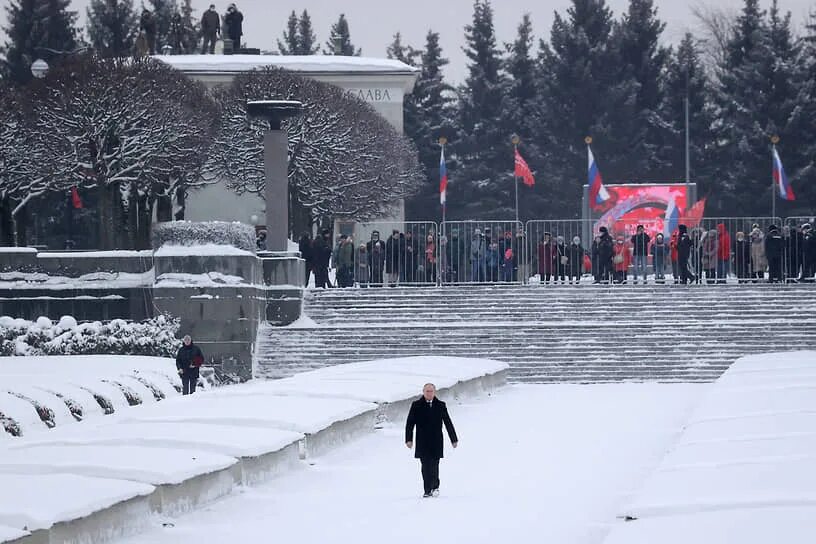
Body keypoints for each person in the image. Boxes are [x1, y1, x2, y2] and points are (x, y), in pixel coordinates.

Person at [405, 383, 458, 498]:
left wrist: (453, 439)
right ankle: (427, 489)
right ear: (423, 392)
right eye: (427, 391)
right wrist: (409, 439)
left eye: (431, 391)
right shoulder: (416, 405)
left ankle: (435, 487)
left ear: (435, 392)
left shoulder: (440, 405)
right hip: (422, 441)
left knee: (434, 464)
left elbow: (448, 422)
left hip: (436, 441)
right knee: (425, 466)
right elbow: (410, 423)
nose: (429, 393)